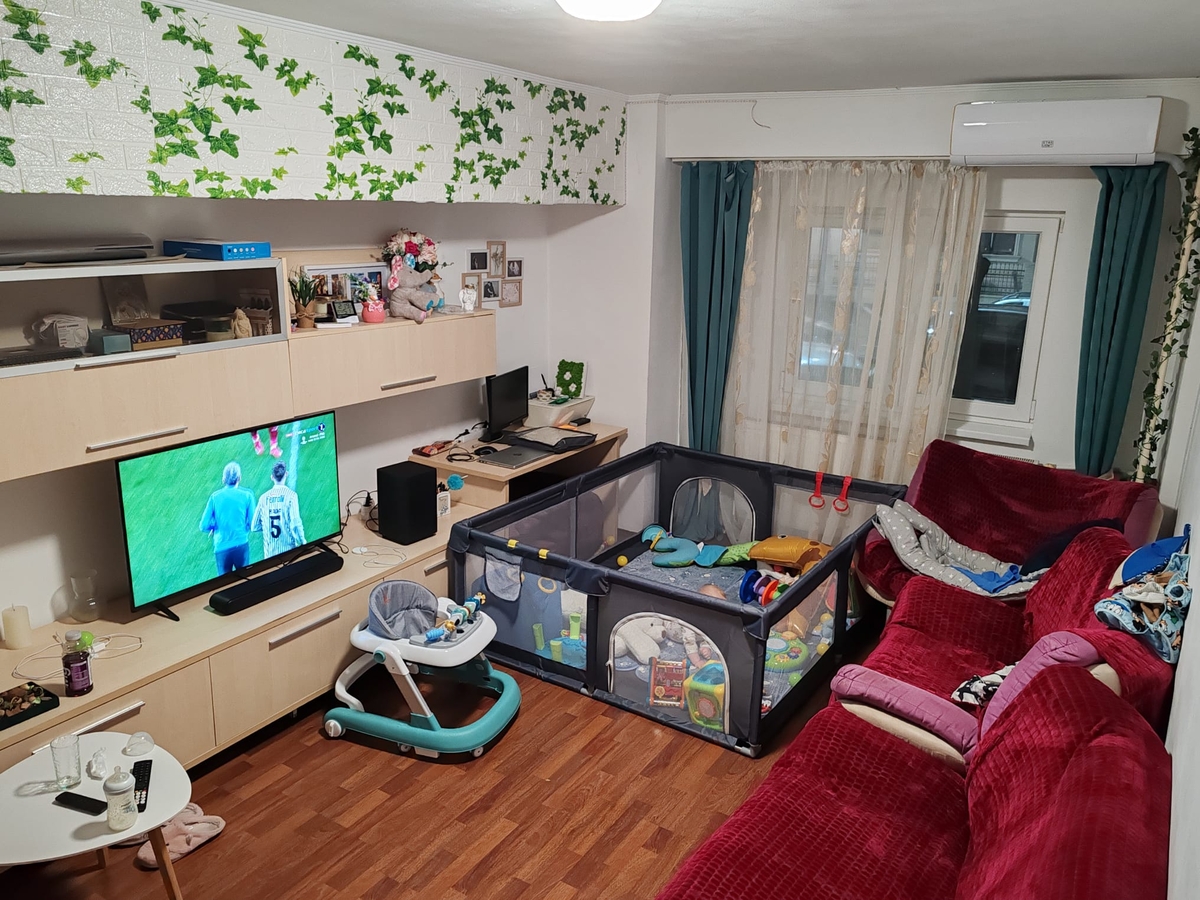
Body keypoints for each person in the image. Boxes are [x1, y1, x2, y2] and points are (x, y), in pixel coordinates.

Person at [199, 462, 256, 575]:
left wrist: (214, 527)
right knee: (246, 580)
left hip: (221, 548)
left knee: (226, 583)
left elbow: (203, 526)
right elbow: (252, 524)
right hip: (241, 544)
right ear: (239, 478)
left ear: (223, 479)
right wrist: (244, 528)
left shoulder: (214, 497)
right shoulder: (247, 496)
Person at [252, 462, 306, 558]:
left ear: (272, 477)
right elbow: (296, 522)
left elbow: (254, 526)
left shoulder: (263, 498)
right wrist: (303, 542)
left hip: (270, 557)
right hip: (289, 552)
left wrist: (267, 525)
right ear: (286, 474)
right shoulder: (291, 496)